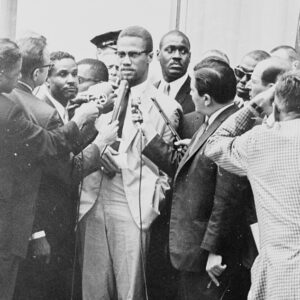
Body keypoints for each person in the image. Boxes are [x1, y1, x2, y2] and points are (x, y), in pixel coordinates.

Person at [9, 37, 117, 300]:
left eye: (75, 75)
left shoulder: (25, 101)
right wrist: (100, 143)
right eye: (61, 73)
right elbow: (65, 170)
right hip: (46, 227)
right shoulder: (45, 113)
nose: (72, 81)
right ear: (41, 75)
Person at [80, 25, 182, 300]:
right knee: (93, 289)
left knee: (130, 290)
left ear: (150, 57)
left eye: (133, 55)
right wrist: (98, 153)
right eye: (121, 54)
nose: (125, 61)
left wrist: (155, 200)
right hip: (94, 198)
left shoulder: (165, 106)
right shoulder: (103, 97)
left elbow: (169, 165)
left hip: (133, 203)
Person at [139, 58, 255, 299]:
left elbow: (226, 199)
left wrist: (215, 250)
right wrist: (149, 133)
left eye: (192, 91)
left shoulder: (229, 129)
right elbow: (188, 172)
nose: (190, 95)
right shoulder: (214, 120)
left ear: (206, 99)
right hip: (196, 251)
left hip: (209, 257)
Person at [204, 70, 300, 300]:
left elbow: (214, 144)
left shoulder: (259, 141)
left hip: (280, 274)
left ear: (276, 104)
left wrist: (254, 106)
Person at [155, 30, 204, 139]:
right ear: (158, 55)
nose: (176, 56)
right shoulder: (149, 92)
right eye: (170, 50)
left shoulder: (199, 95)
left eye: (183, 51)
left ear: (190, 56)